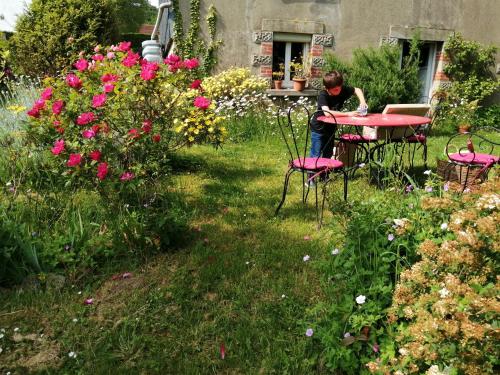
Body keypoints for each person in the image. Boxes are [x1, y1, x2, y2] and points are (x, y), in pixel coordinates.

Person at [310, 70, 367, 159]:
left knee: (328, 153)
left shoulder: (342, 90)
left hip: (331, 128)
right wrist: (348, 114)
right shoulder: (323, 95)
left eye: (339, 88)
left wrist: (363, 102)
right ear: (327, 88)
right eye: (335, 89)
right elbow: (327, 113)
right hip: (318, 128)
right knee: (316, 154)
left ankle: (325, 172)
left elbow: (357, 90)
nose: (338, 91)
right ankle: (312, 173)